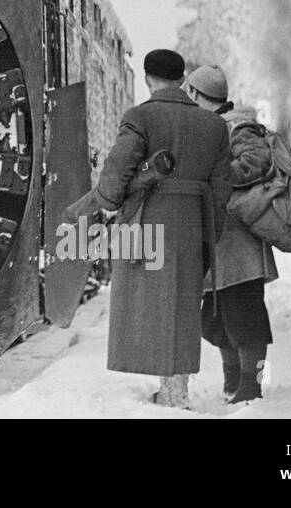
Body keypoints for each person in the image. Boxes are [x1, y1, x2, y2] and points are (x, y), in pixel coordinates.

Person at [62, 48, 231, 408]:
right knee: (183, 306)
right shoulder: (214, 125)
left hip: (148, 221)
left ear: (147, 78)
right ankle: (175, 390)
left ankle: (169, 393)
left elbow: (117, 170)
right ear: (183, 79)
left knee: (149, 305)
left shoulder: (140, 116)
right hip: (193, 221)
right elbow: (221, 189)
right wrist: (209, 234)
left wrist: (106, 203)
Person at [185, 64, 276, 403]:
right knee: (217, 318)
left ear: (196, 94)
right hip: (222, 241)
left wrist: (215, 179)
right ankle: (233, 383)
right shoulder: (216, 125)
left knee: (246, 317)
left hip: (239, 240)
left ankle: (253, 388)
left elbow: (257, 161)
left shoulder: (237, 126)